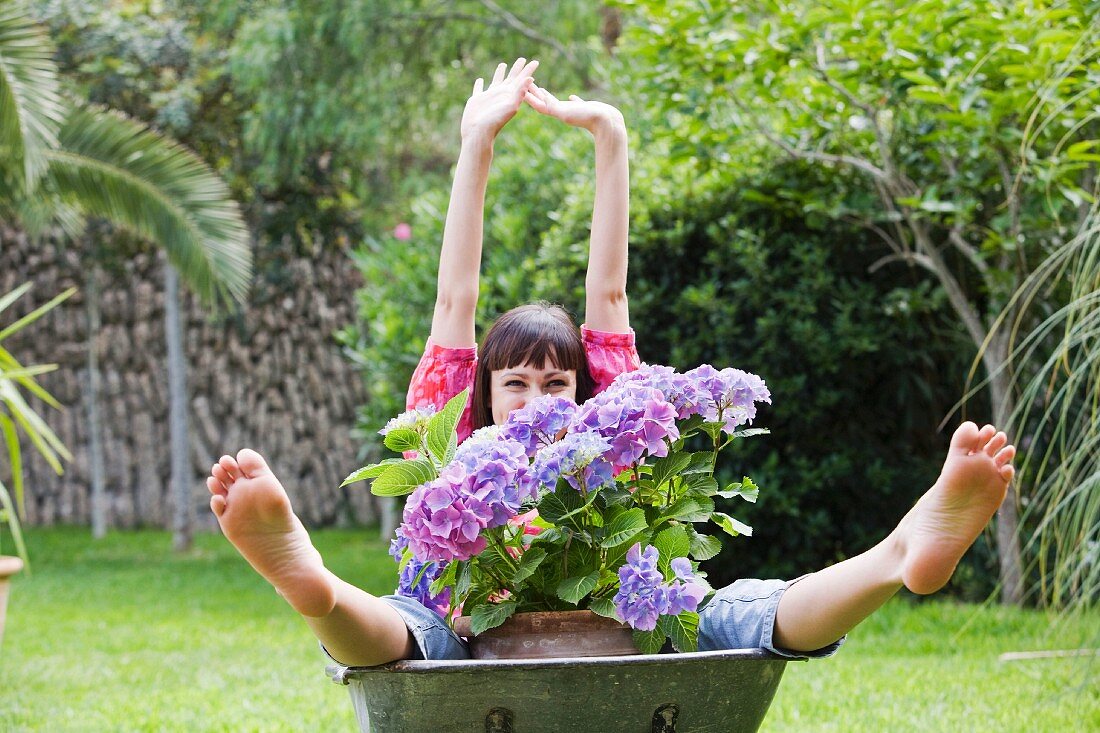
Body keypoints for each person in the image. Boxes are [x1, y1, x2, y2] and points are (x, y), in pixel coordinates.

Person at [207, 59, 1017, 668]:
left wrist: (612, 138)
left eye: (556, 381)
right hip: (462, 629)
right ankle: (312, 586)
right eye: (514, 383)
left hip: (620, 621)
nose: (534, 398)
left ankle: (900, 555)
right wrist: (474, 145)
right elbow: (455, 298)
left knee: (738, 611)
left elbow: (611, 288)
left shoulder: (608, 425)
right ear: (481, 391)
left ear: (583, 387)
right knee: (402, 631)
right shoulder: (449, 424)